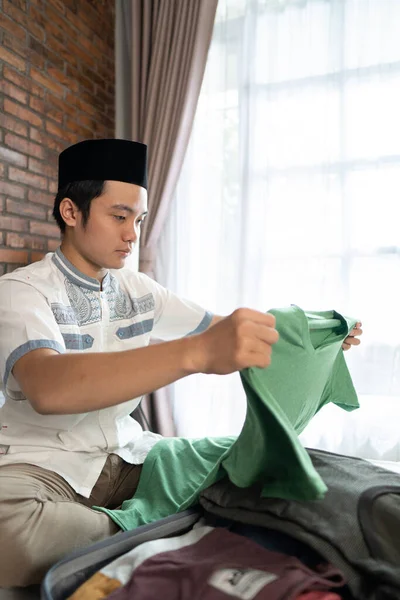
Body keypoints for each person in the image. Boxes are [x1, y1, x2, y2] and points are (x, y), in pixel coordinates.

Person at [0, 139, 362, 587]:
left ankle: (131, 529)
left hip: (135, 457)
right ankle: (158, 526)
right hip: (42, 468)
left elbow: (223, 328)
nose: (133, 234)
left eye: (139, 219)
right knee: (6, 535)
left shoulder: (139, 289)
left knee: (276, 463)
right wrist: (196, 354)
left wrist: (311, 332)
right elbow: (48, 386)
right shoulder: (21, 291)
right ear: (72, 213)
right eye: (119, 217)